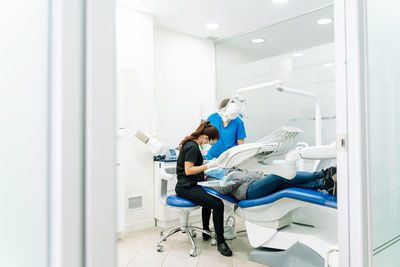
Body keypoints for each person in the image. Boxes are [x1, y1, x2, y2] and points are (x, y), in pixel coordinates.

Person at [175, 120, 232, 257]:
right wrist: (209, 166)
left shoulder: (193, 145)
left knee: (209, 200)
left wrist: (204, 170)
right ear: (206, 137)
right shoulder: (193, 147)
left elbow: (191, 168)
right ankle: (221, 242)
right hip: (185, 188)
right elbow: (188, 171)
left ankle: (206, 231)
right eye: (211, 142)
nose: (209, 145)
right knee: (218, 205)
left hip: (191, 184)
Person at [206, 166, 337, 200]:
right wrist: (238, 177)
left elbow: (241, 174)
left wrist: (239, 173)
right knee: (279, 176)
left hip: (255, 181)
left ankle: (324, 184)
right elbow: (224, 188)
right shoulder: (208, 180)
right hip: (248, 191)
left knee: (285, 184)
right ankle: (321, 174)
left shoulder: (220, 168)